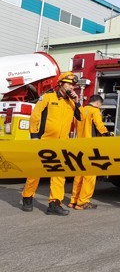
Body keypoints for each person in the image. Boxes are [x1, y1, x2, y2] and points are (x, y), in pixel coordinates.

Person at [21, 72, 82, 216]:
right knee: (36, 172)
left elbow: (80, 117)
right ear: (61, 83)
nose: (71, 87)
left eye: (73, 85)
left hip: (61, 143)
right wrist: (34, 136)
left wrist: (77, 101)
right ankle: (27, 197)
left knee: (59, 174)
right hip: (44, 141)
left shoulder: (71, 102)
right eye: (69, 84)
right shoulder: (48, 97)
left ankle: (54, 204)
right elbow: (35, 116)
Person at [69, 94, 112, 210]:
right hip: (91, 146)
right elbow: (99, 126)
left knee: (79, 174)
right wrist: (108, 135)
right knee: (89, 176)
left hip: (80, 145)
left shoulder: (81, 110)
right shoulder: (95, 111)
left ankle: (73, 200)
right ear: (98, 103)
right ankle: (82, 202)